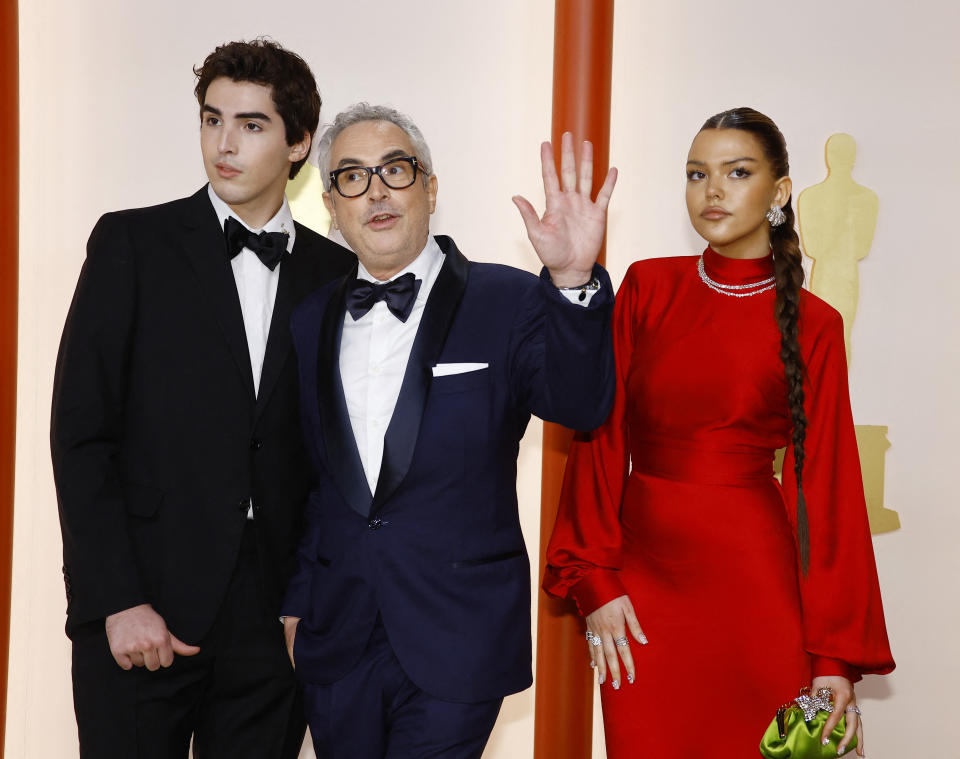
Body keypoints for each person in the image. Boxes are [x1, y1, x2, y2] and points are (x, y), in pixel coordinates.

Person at [543, 107, 895, 759]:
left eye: (737, 172)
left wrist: (832, 657)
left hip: (758, 592)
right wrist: (595, 576)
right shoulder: (647, 285)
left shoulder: (815, 324)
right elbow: (599, 434)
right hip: (640, 595)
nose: (712, 190)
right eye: (697, 173)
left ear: (780, 192)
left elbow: (830, 488)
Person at [280, 103, 617, 759]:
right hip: (335, 637)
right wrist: (296, 606)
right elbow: (320, 480)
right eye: (352, 177)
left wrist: (572, 281)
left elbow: (580, 404)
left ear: (430, 188)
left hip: (456, 631)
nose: (375, 190)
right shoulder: (310, 317)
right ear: (331, 205)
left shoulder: (508, 299)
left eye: (395, 170)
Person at [50, 39, 354, 758]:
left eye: (251, 125)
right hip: (142, 604)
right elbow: (81, 433)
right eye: (212, 119)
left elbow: (339, 460)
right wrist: (115, 599)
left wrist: (312, 600)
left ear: (299, 141)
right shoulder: (131, 243)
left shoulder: (338, 276)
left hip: (274, 620)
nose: (224, 143)